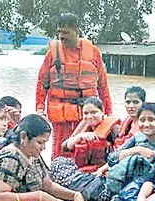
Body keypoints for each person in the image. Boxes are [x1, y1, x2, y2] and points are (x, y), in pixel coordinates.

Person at [35, 12, 112, 159]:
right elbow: (41, 83)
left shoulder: (94, 52)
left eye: (65, 32)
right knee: (60, 152)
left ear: (76, 30)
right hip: (60, 114)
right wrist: (39, 110)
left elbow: (103, 86)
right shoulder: (52, 53)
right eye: (59, 32)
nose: (61, 36)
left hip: (87, 114)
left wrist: (107, 112)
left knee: (86, 150)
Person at [60, 97, 120, 172]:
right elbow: (65, 148)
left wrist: (101, 170)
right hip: (83, 169)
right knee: (58, 163)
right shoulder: (84, 127)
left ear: (102, 112)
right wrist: (80, 136)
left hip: (105, 170)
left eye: (93, 112)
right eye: (86, 113)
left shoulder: (114, 129)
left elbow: (121, 154)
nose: (89, 116)